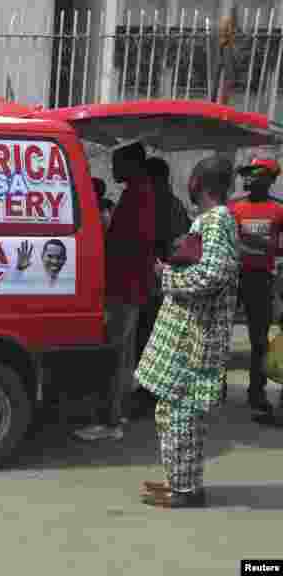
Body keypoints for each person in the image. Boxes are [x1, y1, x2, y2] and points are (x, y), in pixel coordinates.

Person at [137, 154, 240, 508]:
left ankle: (184, 490)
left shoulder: (216, 221)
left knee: (179, 412)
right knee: (179, 413)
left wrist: (166, 276)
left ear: (197, 183)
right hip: (191, 333)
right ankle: (180, 483)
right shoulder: (213, 220)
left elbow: (212, 274)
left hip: (194, 338)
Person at [75, 141, 157, 441]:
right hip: (128, 284)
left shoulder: (138, 196)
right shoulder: (137, 193)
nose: (112, 169)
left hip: (125, 286)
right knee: (121, 355)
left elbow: (130, 243)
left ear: (132, 164)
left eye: (117, 163)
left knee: (114, 354)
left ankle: (109, 421)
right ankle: (116, 415)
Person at [135, 157, 192, 418]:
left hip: (159, 282)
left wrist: (164, 272)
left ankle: (153, 394)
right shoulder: (171, 204)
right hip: (156, 281)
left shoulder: (164, 205)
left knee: (152, 338)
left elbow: (179, 246)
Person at [227, 157, 283, 419]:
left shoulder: (278, 210)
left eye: (255, 173)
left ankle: (257, 393)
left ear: (271, 178)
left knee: (259, 339)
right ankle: (217, 388)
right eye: (245, 173)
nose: (248, 178)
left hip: (260, 280)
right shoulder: (233, 208)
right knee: (219, 334)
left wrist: (269, 251)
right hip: (232, 278)